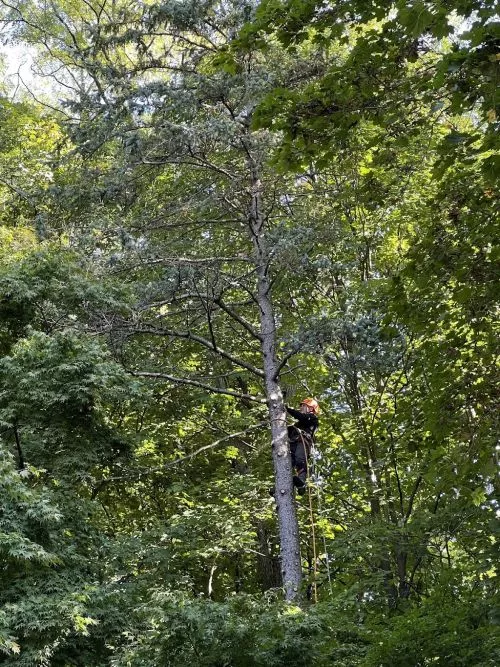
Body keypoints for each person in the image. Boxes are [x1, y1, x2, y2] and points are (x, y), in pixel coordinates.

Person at [286, 398, 320, 495]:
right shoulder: (297, 424)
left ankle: (301, 482)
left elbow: (301, 416)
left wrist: (288, 409)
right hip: (292, 444)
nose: (300, 407)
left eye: (303, 406)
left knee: (300, 460)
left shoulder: (312, 418)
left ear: (310, 409)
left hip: (303, 442)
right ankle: (280, 487)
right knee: (287, 463)